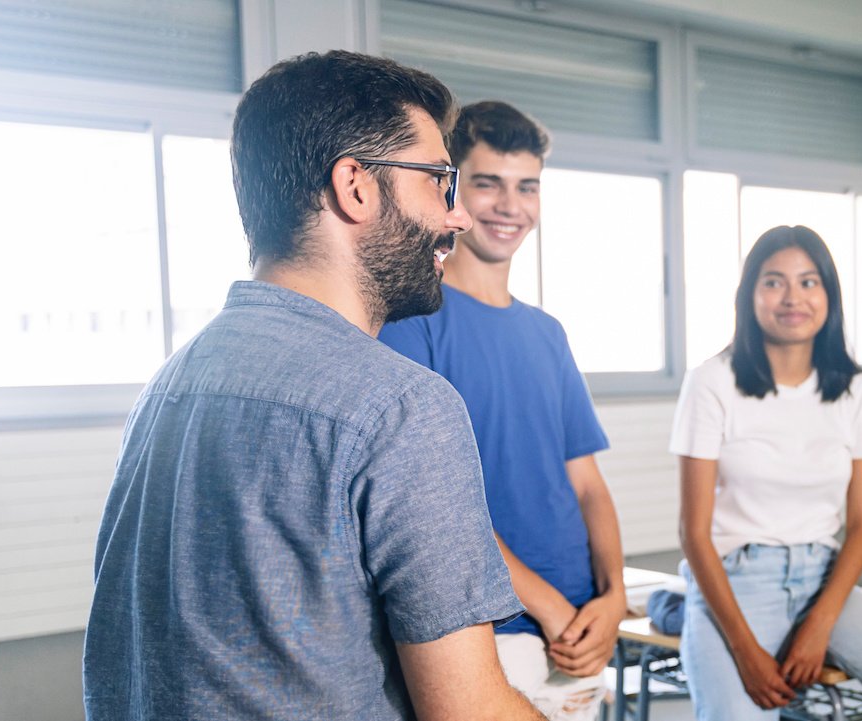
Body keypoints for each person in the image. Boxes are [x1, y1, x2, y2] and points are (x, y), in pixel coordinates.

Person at [83, 51, 541, 721]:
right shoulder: (402, 406)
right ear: (356, 186)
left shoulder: (169, 388)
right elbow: (471, 711)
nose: (457, 217)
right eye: (440, 181)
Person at [379, 100, 622, 720]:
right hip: (490, 627)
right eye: (487, 184)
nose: (510, 206)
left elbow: (588, 484)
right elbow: (435, 505)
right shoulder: (412, 325)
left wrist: (613, 597)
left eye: (527, 187)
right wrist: (546, 606)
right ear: (452, 191)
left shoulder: (548, 333)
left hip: (579, 623)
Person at [671, 226, 862, 721]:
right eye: (773, 282)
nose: (792, 298)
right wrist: (745, 650)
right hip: (736, 581)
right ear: (749, 295)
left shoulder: (856, 389)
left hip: (827, 582)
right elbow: (693, 532)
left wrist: (820, 624)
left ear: (829, 294)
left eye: (809, 282)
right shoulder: (711, 382)